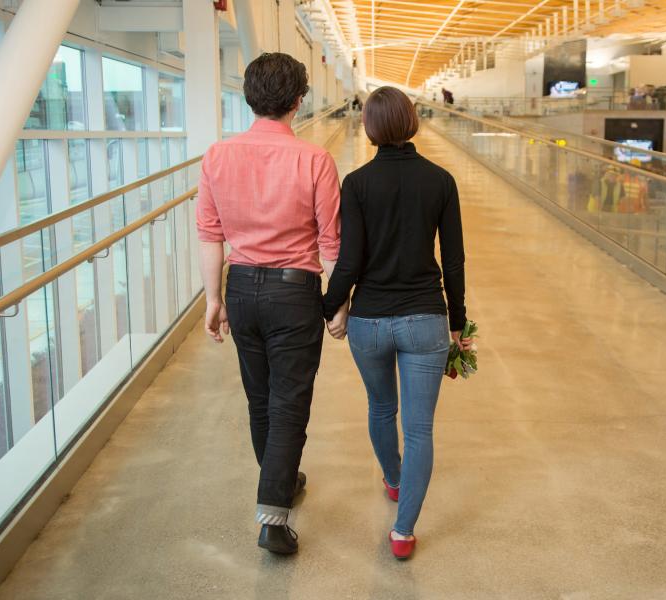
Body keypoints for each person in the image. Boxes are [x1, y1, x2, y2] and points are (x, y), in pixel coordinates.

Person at [196, 52, 341, 555]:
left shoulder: (216, 156)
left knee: (261, 400)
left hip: (242, 289)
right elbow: (330, 243)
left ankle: (280, 483)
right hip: (294, 293)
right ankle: (272, 516)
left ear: (248, 97)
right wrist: (339, 302)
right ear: (298, 102)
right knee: (288, 405)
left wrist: (214, 300)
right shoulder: (315, 160)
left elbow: (210, 236)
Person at [322, 86, 472, 560]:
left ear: (369, 126)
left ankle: (392, 479)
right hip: (426, 318)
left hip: (369, 321)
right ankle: (404, 531)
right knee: (421, 429)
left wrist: (331, 307)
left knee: (381, 408)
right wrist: (458, 323)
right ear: (411, 121)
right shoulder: (441, 181)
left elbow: (349, 261)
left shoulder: (358, 183)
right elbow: (454, 261)